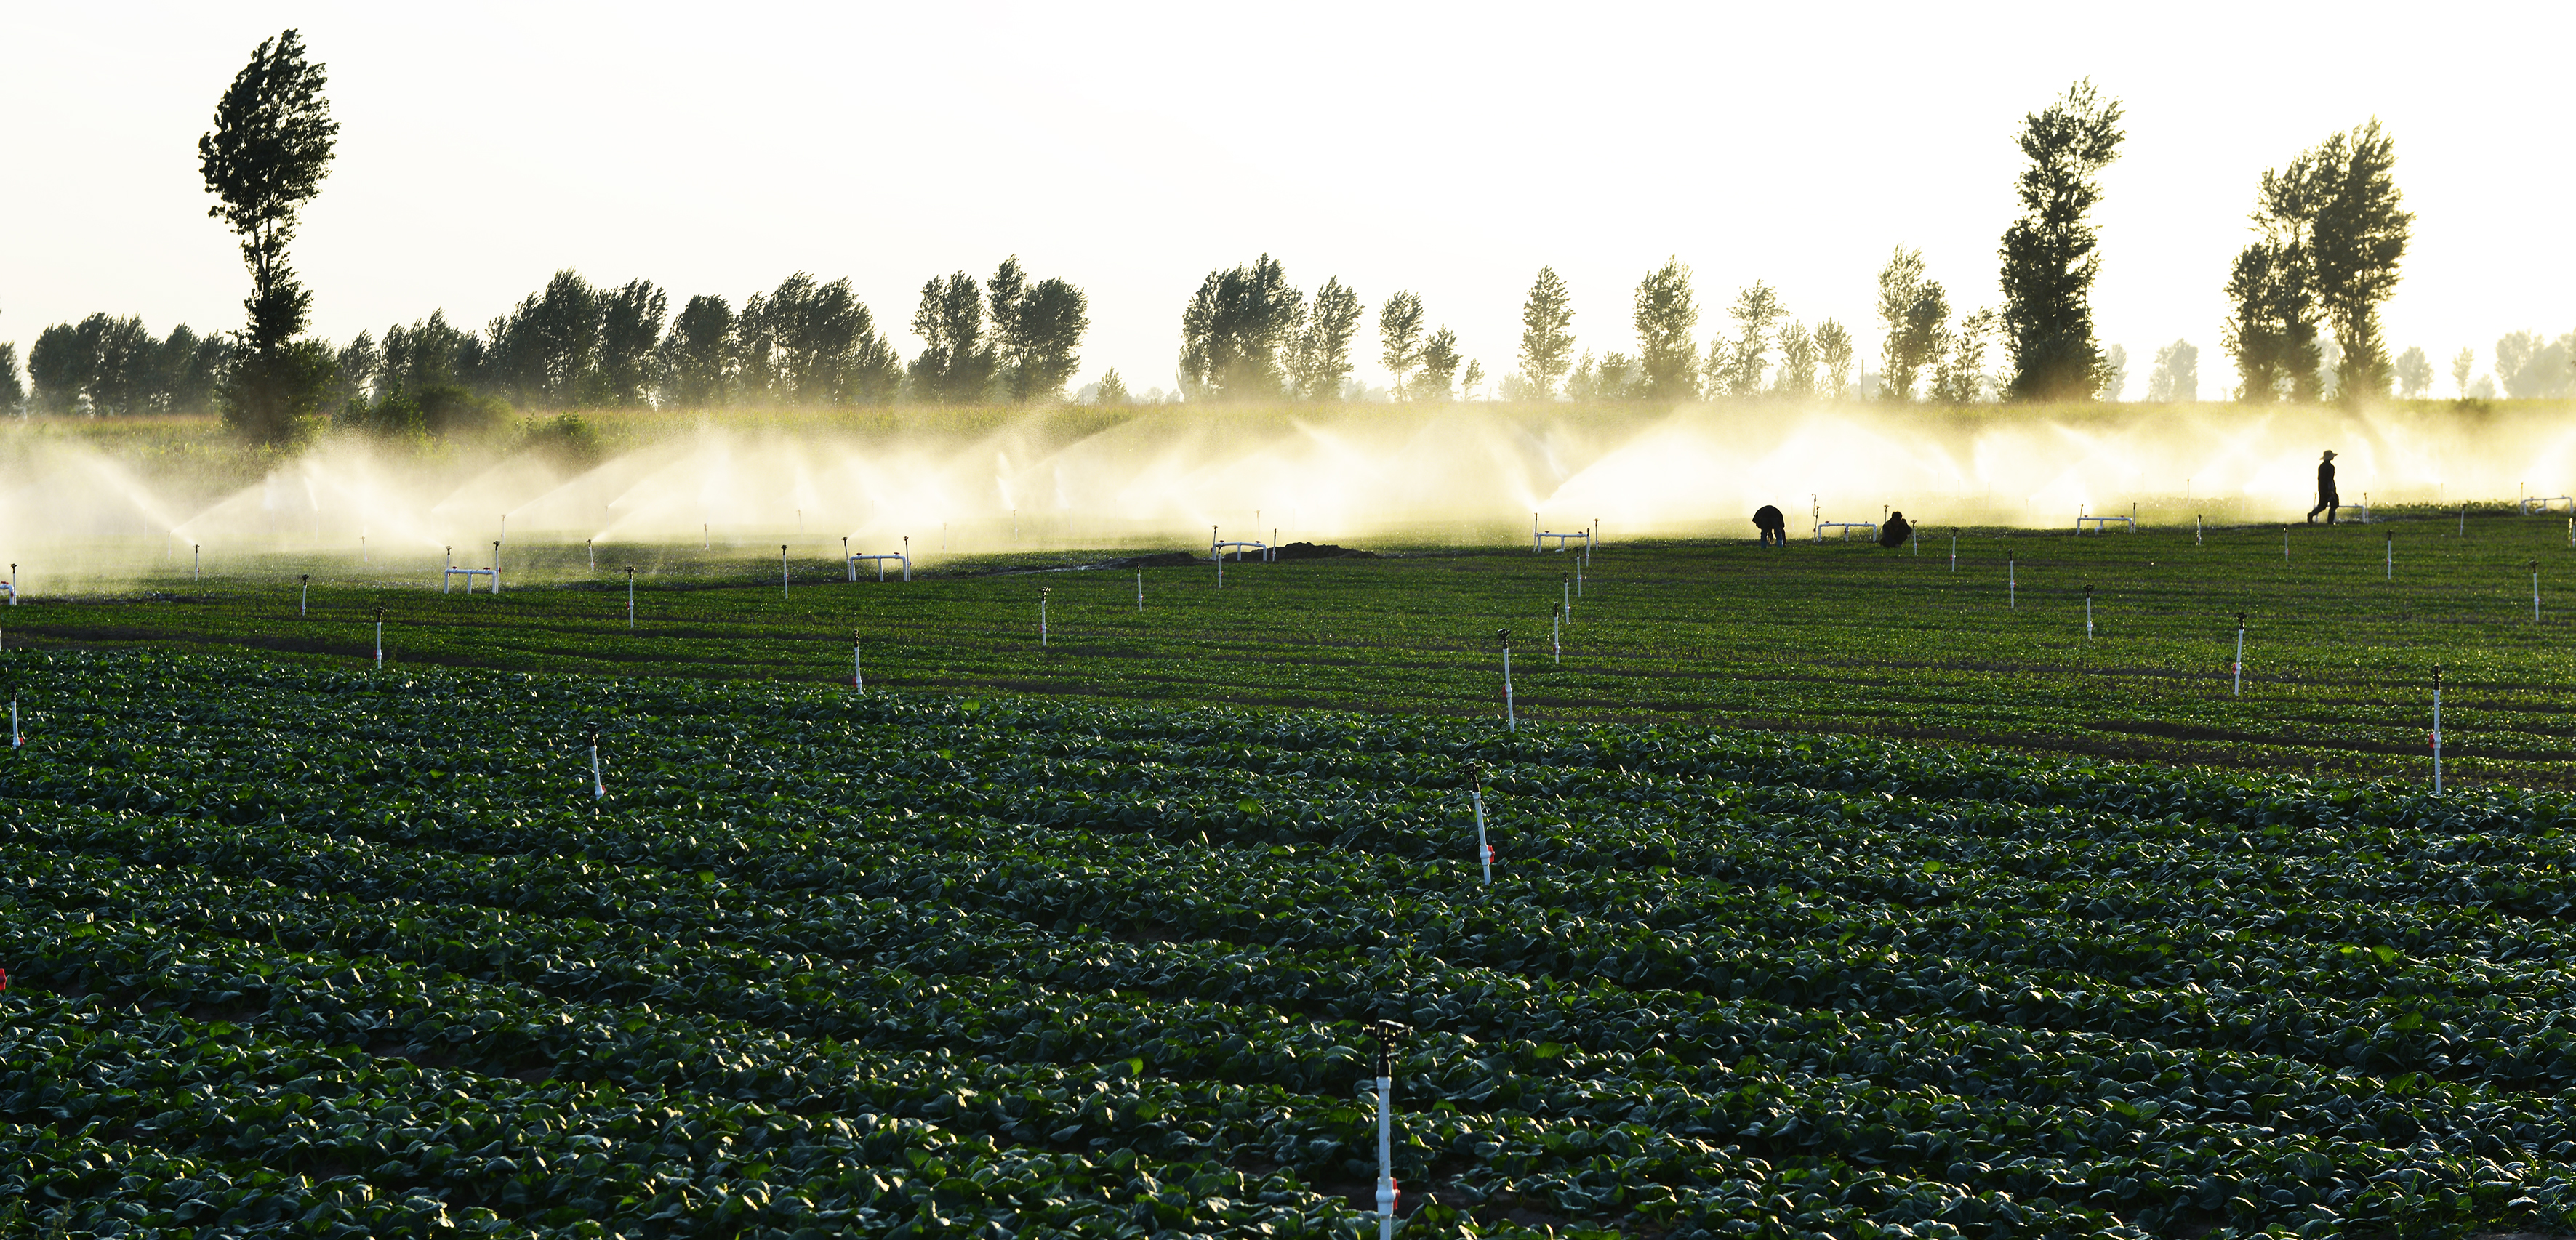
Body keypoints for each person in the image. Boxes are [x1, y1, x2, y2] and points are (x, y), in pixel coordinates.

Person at [2308, 451, 2339, 524]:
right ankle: (2330, 522)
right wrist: (2331, 490)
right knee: (2335, 503)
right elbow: (2330, 479)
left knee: (2322, 505)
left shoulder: (2321, 467)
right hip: (2329, 489)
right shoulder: (2331, 467)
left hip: (2322, 489)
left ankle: (2311, 514)